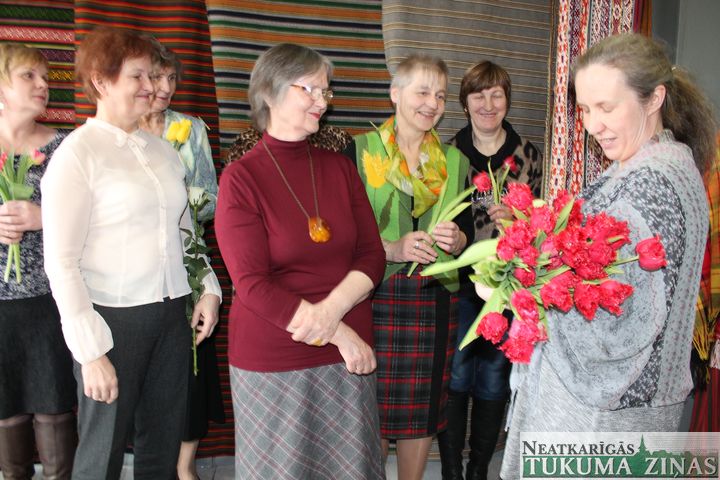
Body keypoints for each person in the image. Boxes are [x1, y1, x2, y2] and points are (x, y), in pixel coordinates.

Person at [500, 33, 715, 478]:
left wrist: (531, 292)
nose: (593, 124)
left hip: (606, 418)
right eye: (584, 109)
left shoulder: (649, 184)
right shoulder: (664, 166)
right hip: (633, 410)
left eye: (607, 107)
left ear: (655, 98)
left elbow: (619, 325)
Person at [40, 27, 222, 480]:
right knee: (100, 455)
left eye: (154, 75)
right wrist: (90, 353)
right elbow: (60, 262)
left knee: (162, 448)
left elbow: (184, 230)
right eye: (137, 76)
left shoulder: (163, 153)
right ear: (100, 81)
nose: (151, 86)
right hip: (112, 321)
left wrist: (208, 288)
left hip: (172, 317)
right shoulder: (77, 154)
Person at [215, 43, 386, 479]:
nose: (321, 101)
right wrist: (337, 332)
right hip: (277, 355)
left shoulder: (340, 169)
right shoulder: (241, 178)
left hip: (347, 353)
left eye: (325, 91)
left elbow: (372, 255)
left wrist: (332, 317)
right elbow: (251, 284)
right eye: (309, 89)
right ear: (268, 93)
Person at [346, 54, 472, 480]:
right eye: (423, 92)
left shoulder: (455, 161)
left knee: (423, 411)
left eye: (440, 95)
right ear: (395, 93)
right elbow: (343, 235)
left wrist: (458, 240)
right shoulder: (359, 151)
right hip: (373, 295)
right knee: (372, 408)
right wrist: (392, 248)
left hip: (435, 300)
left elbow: (468, 233)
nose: (432, 103)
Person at [439, 61, 543, 480]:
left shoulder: (527, 155)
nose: (487, 104)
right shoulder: (448, 153)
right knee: (457, 372)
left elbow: (540, 227)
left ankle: (479, 467)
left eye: (496, 94)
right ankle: (451, 468)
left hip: (506, 284)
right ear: (464, 104)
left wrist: (518, 221)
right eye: (478, 95)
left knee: (495, 377)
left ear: (507, 100)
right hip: (459, 283)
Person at [138, 36, 224, 480]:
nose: (166, 87)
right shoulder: (122, 132)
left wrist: (186, 202)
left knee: (192, 366)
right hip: (136, 269)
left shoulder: (191, 129)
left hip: (188, 259)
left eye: (172, 78)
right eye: (157, 77)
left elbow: (213, 197)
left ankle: (185, 467)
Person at [0, 43, 77, 480]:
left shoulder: (64, 146)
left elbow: (94, 217)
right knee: (5, 408)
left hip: (50, 300)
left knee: (54, 406)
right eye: (28, 76)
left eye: (45, 77)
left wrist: (44, 218)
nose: (43, 85)